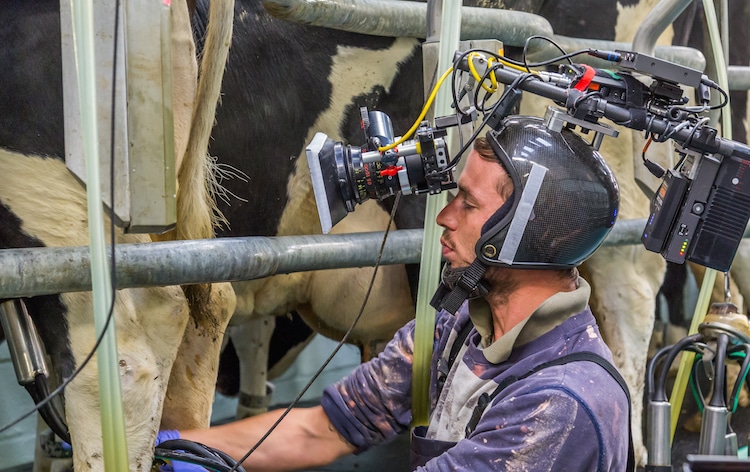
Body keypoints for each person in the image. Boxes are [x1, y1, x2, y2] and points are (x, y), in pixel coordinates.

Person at [163, 115, 632, 471]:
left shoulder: (561, 402)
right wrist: (168, 447)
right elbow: (322, 429)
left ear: (524, 236)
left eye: (467, 204)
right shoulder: (459, 325)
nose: (444, 218)